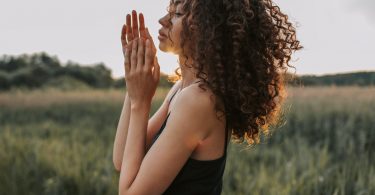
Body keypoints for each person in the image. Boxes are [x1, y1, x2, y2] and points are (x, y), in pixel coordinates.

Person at [113, 0, 302, 194]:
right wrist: (135, 80)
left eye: (177, 15)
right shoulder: (182, 89)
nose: (163, 21)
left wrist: (140, 102)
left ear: (207, 28)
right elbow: (122, 160)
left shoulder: (199, 100)